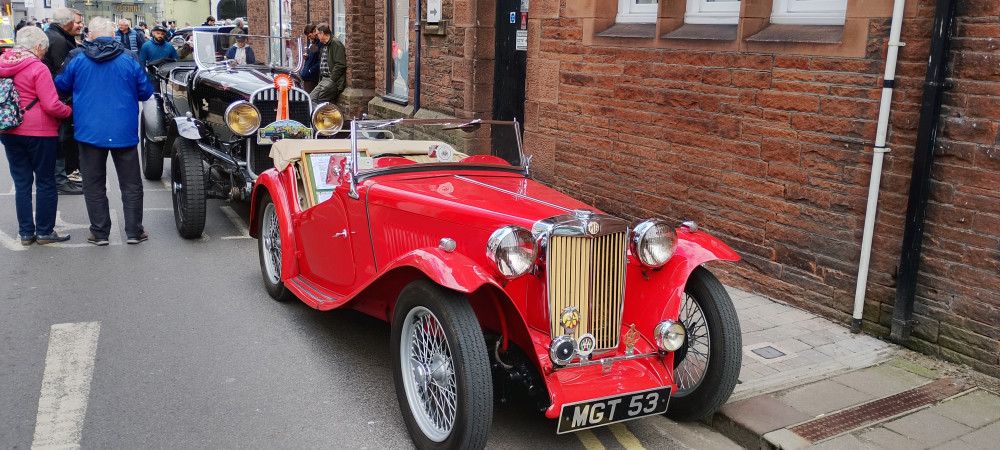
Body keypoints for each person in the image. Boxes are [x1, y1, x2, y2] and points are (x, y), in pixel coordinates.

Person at [55, 16, 154, 246]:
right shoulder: (129, 57)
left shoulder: (77, 57)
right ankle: (134, 231)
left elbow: (61, 85)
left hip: (89, 129)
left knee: (93, 183)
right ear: (113, 35)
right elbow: (145, 91)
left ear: (89, 35)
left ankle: (99, 233)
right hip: (123, 128)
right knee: (131, 184)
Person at [0, 27, 74, 245]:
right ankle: (44, 231)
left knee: (21, 183)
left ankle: (25, 233)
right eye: (44, 50)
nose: (44, 54)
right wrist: (69, 111)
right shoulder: (37, 67)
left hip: (8, 128)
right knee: (45, 181)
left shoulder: (3, 63)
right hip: (39, 131)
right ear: (39, 46)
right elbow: (51, 105)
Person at [42, 7, 84, 196]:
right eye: (77, 22)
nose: (80, 25)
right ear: (68, 23)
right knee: (62, 138)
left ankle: (64, 175)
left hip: (56, 96)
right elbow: (62, 74)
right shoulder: (58, 40)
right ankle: (62, 178)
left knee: (62, 138)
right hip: (59, 97)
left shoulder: (56, 36)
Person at [309, 23, 346, 104]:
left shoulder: (336, 43)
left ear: (322, 33)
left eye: (317, 34)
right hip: (323, 80)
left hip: (332, 80)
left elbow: (340, 64)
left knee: (319, 102)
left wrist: (332, 79)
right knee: (310, 99)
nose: (317, 36)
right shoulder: (324, 45)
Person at [300, 24, 320, 93]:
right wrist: (308, 56)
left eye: (309, 36)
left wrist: (310, 71)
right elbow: (313, 57)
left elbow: (319, 61)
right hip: (308, 77)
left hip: (312, 79)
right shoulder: (313, 43)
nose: (309, 38)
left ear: (314, 32)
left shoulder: (320, 44)